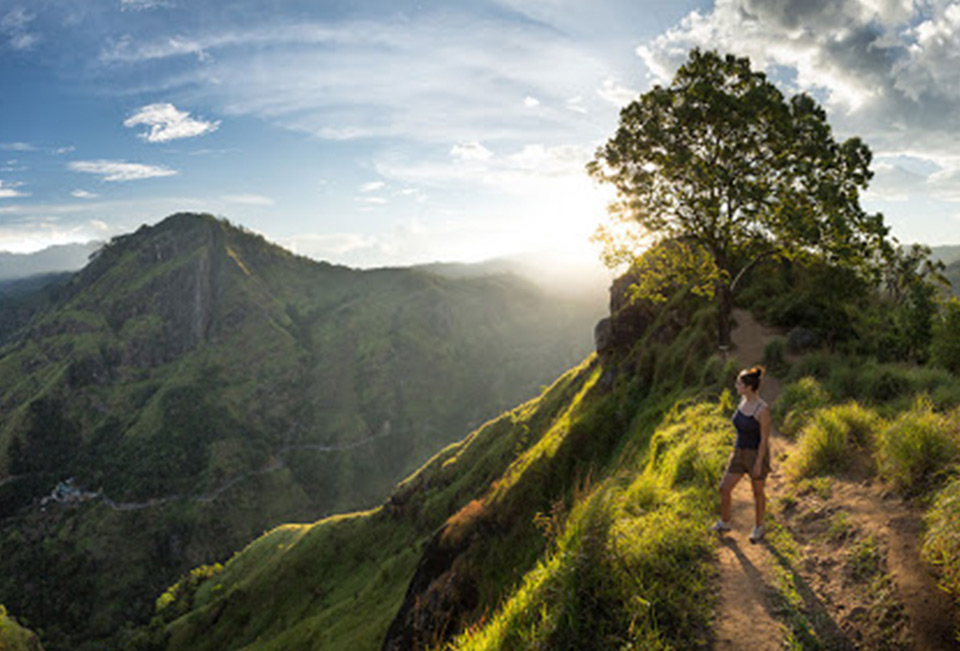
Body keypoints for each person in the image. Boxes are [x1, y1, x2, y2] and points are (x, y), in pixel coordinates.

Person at [712, 366, 771, 543]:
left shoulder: (762, 410)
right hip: (738, 453)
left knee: (757, 492)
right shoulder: (743, 402)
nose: (736, 385)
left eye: (739, 383)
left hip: (755, 455)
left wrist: (759, 463)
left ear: (748, 387)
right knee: (724, 487)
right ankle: (725, 522)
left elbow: (764, 440)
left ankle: (759, 527)